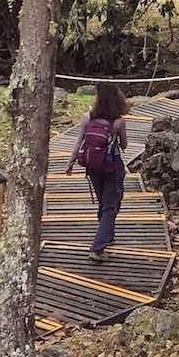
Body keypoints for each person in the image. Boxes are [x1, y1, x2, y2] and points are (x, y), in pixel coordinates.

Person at [65, 82, 129, 262]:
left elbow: (79, 142)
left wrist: (70, 163)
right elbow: (124, 145)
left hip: (92, 165)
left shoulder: (87, 118)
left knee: (104, 201)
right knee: (111, 205)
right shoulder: (118, 122)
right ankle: (97, 248)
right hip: (112, 165)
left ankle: (107, 235)